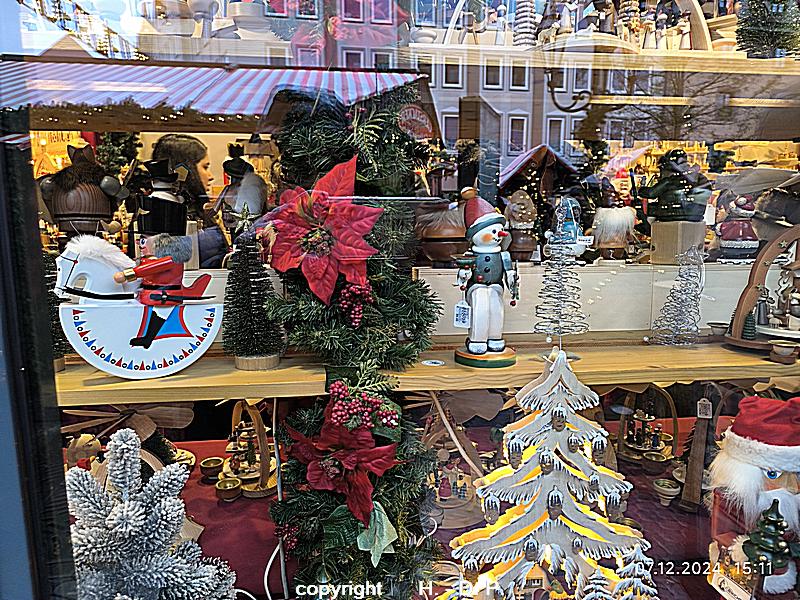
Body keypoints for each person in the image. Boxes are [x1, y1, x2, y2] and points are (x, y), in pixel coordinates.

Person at [150, 134, 228, 267]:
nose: (210, 176)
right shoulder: (164, 208)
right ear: (187, 169)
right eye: (205, 167)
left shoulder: (182, 205)